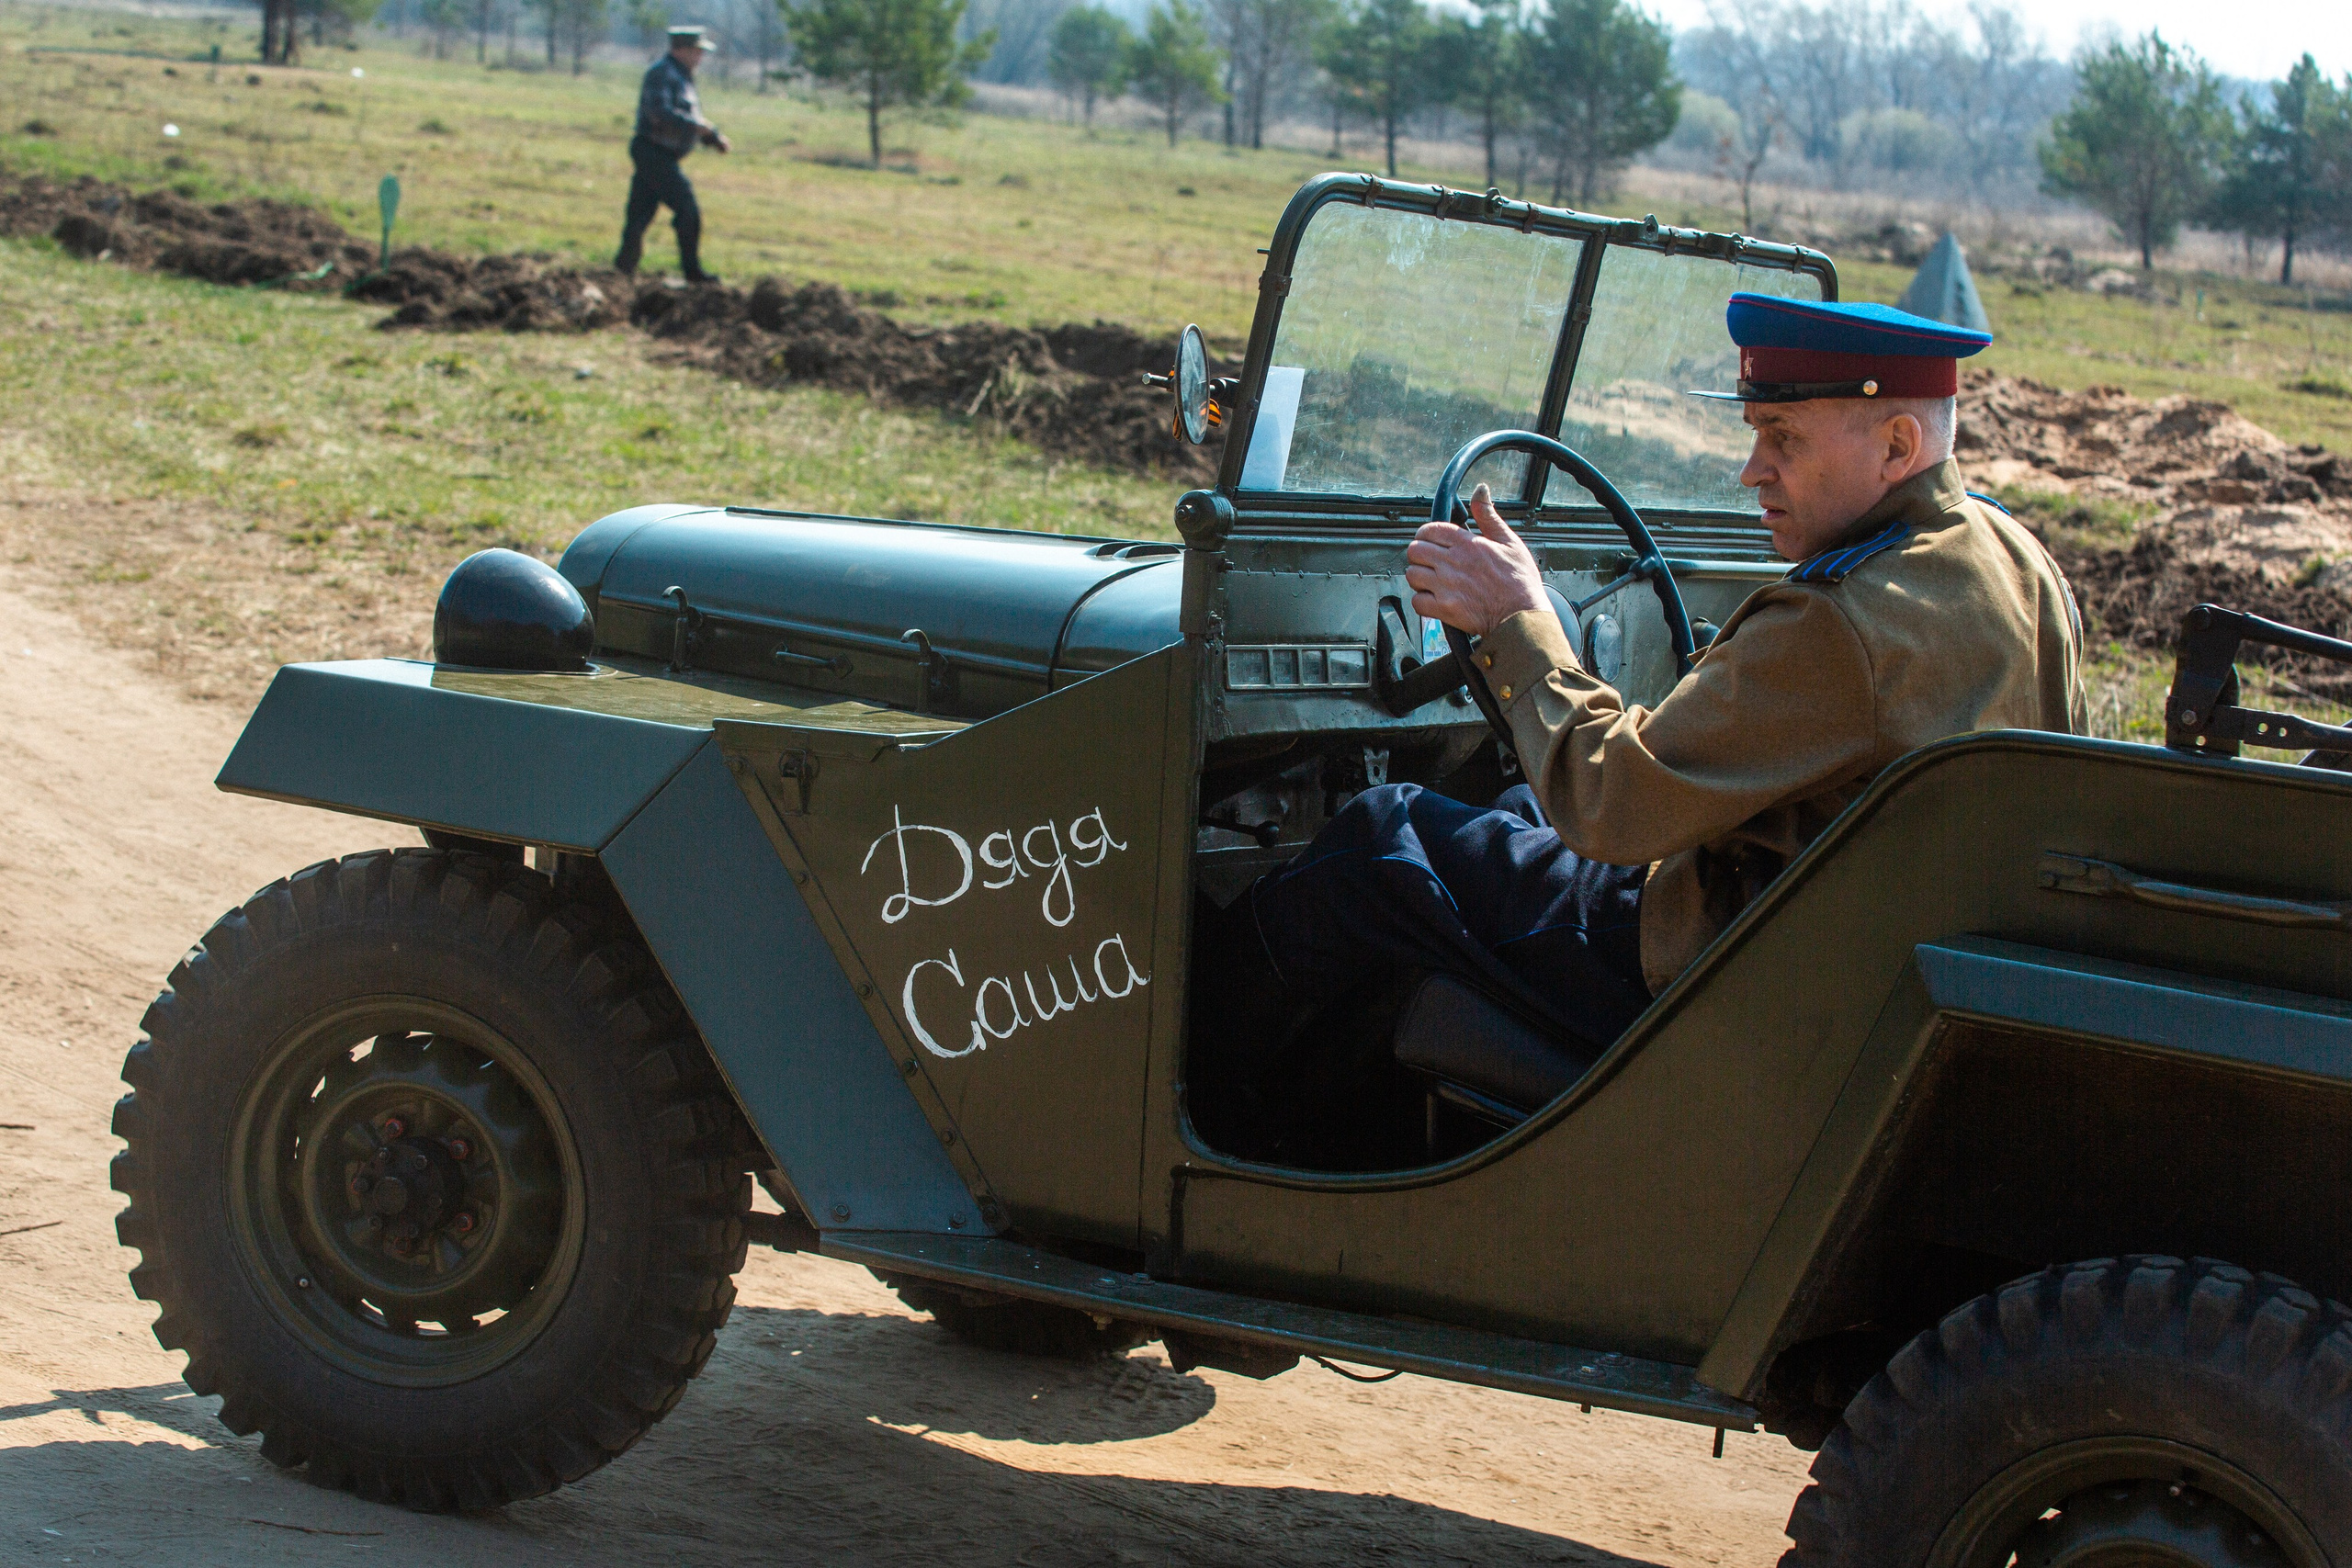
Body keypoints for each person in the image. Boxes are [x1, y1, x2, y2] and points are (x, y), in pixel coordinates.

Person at [1204, 294, 2086, 1154]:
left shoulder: (1840, 621)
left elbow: (1611, 804)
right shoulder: (2009, 558)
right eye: (1754, 436)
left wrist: (1520, 623)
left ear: (1897, 444)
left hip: (1718, 970)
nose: (1753, 470)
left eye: (1783, 439)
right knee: (1513, 810)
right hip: (1861, 966)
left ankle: (1197, 1127)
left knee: (1380, 838)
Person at [616, 25, 730, 285]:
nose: (700, 57)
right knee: (688, 210)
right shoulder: (662, 74)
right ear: (681, 50)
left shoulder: (681, 75)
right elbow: (659, 113)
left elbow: (688, 118)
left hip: (661, 154)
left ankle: (622, 272)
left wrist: (711, 137)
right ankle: (693, 273)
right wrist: (700, 128)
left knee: (640, 213)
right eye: (697, 51)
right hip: (653, 152)